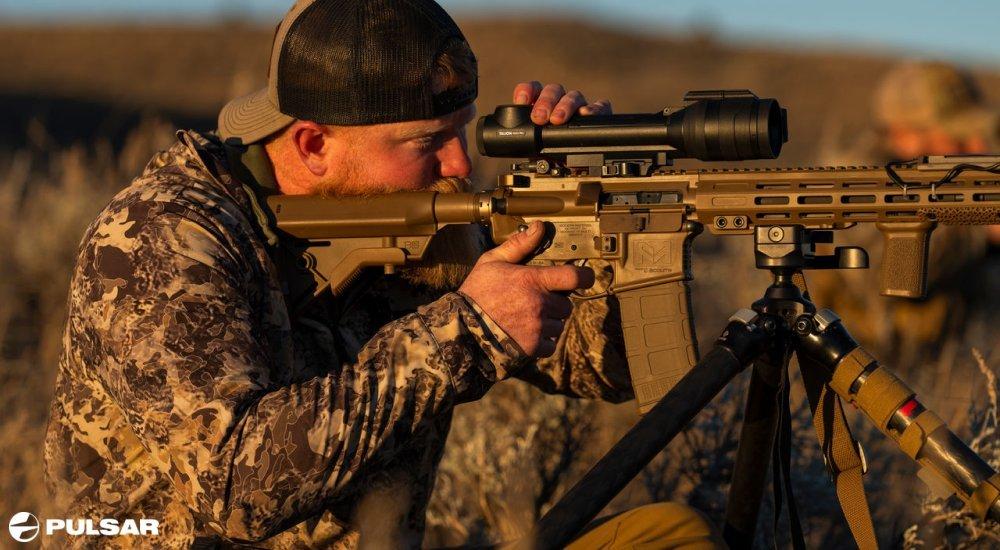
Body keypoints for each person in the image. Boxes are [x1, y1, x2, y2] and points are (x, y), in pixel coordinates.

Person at [43, 1, 724, 548]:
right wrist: (464, 331)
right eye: (427, 143)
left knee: (672, 535)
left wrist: (599, 233)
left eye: (464, 130)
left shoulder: (421, 218)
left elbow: (598, 369)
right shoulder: (161, 240)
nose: (460, 163)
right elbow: (234, 488)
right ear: (313, 145)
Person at [810, 60, 999, 423]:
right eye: (958, 137)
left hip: (934, 378)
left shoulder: (942, 184)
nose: (977, 146)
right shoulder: (854, 184)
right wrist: (982, 231)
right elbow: (881, 272)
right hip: (860, 390)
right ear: (905, 134)